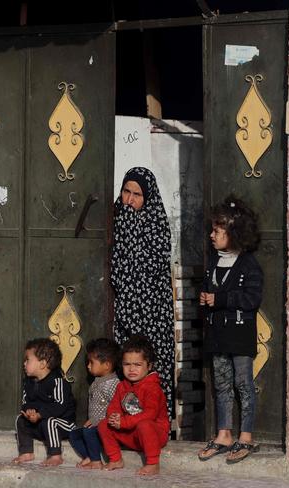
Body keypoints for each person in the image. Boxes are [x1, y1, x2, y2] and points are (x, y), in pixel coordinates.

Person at [197, 195, 263, 464]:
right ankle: (224, 433)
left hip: (239, 334)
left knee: (243, 384)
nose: (212, 236)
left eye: (217, 231)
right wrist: (205, 299)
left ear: (233, 234)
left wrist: (220, 299)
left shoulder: (248, 264)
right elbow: (211, 291)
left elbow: (252, 299)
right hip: (218, 335)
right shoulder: (214, 261)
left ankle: (245, 435)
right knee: (222, 384)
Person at [111, 166, 175, 417]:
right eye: (126, 192)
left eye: (136, 194)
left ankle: (154, 421)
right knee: (127, 363)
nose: (129, 199)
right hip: (126, 307)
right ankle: (125, 420)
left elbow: (150, 265)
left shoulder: (156, 224)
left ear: (147, 197)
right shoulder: (116, 219)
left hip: (152, 311)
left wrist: (132, 227)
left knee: (149, 363)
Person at [98, 335, 170, 476]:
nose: (131, 369)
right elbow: (114, 406)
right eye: (127, 364)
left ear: (149, 366)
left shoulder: (153, 388)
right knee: (103, 425)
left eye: (137, 365)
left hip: (154, 435)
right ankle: (115, 459)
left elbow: (150, 414)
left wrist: (124, 422)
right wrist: (114, 417)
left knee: (144, 424)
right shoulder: (121, 385)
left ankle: (153, 463)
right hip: (131, 433)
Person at [12, 338, 76, 466]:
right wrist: (29, 412)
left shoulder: (57, 382)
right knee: (20, 419)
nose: (24, 363)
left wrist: (40, 414)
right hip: (39, 423)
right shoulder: (28, 382)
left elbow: (60, 406)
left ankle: (55, 455)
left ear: (42, 364)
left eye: (27, 360)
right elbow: (26, 402)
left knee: (50, 421)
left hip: (63, 424)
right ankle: (26, 452)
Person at [68, 338, 120, 469]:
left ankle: (96, 461)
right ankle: (89, 456)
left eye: (91, 362)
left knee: (89, 432)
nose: (88, 366)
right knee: (74, 434)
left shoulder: (114, 384)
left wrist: (99, 420)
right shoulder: (96, 382)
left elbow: (116, 408)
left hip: (106, 426)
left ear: (107, 365)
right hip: (93, 425)